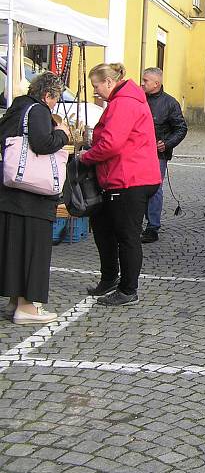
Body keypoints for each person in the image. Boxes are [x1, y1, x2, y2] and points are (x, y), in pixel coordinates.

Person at [80, 63, 162, 306]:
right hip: (128, 176)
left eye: (96, 86)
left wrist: (86, 157)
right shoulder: (127, 100)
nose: (95, 91)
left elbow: (111, 144)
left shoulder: (123, 102)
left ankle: (128, 289)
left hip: (129, 178)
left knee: (126, 236)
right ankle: (110, 279)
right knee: (105, 230)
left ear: (108, 82)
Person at [0, 73, 71, 324]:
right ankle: (28, 307)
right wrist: (62, 134)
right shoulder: (39, 110)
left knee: (15, 248)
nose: (55, 104)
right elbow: (42, 143)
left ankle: (14, 301)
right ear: (47, 95)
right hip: (33, 194)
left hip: (11, 193)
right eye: (55, 99)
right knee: (34, 249)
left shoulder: (16, 108)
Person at [140, 67, 188, 244]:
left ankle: (153, 226)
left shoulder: (170, 103)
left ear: (156, 84)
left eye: (145, 81)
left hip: (157, 154)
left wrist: (166, 143)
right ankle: (136, 222)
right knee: (135, 188)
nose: (142, 83)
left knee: (154, 189)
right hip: (136, 153)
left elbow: (181, 128)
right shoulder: (138, 99)